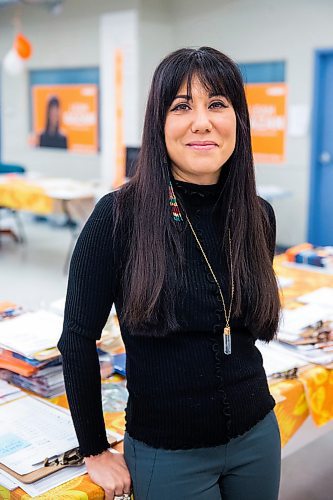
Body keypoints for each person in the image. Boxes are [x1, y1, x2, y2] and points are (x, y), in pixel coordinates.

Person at [58, 46, 281, 500]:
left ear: (238, 120)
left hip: (258, 434)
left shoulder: (258, 215)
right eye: (182, 106)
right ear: (159, 124)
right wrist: (94, 449)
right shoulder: (119, 216)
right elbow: (77, 338)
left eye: (217, 104)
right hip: (169, 452)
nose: (202, 121)